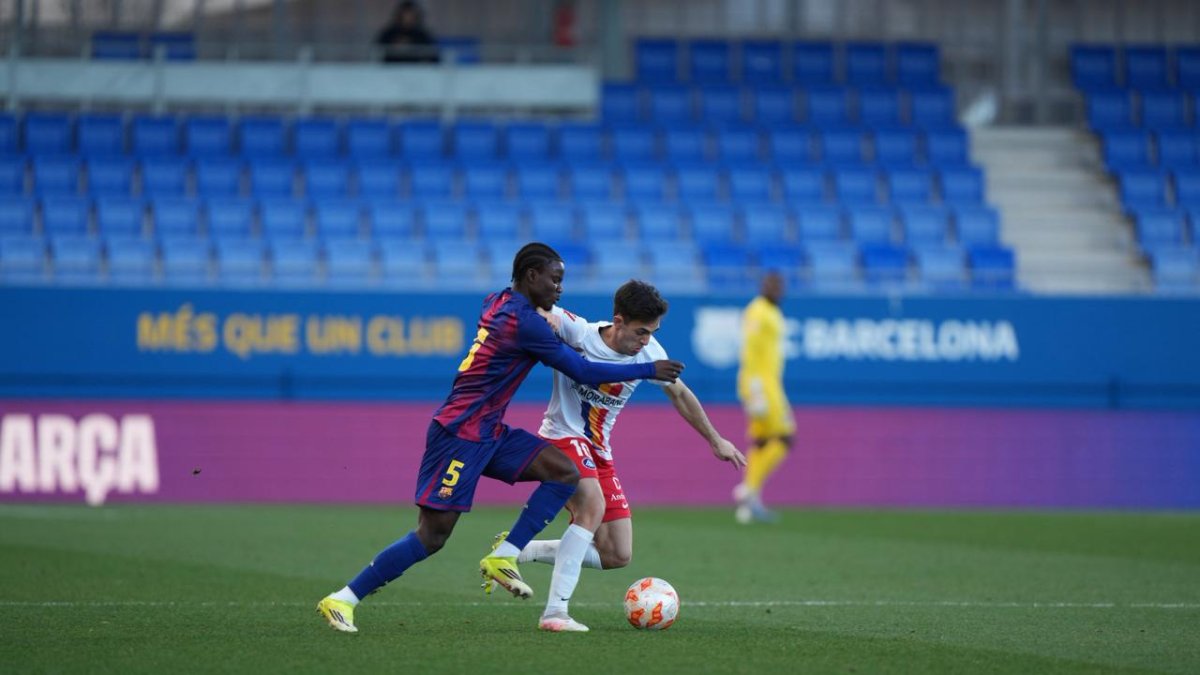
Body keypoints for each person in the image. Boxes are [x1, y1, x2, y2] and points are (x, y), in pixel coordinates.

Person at [316, 243, 685, 633]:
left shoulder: (499, 301)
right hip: (460, 433)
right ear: (531, 277)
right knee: (432, 536)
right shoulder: (526, 324)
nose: (560, 289)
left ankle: (506, 554)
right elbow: (580, 370)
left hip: (488, 429)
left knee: (563, 472)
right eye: (555, 280)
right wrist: (647, 370)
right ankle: (344, 598)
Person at [500, 279, 746, 632]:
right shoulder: (579, 332)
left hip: (599, 451)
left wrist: (715, 439)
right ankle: (555, 613)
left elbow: (680, 394)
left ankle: (517, 550)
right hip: (561, 438)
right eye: (641, 332)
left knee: (616, 553)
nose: (646, 341)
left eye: (652, 333)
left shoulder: (649, 352)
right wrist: (542, 314)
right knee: (592, 508)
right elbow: (534, 308)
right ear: (618, 321)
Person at [732, 270, 793, 524]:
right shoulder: (757, 311)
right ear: (763, 286)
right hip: (761, 385)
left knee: (761, 441)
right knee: (784, 437)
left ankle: (750, 501)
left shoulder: (772, 311)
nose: (777, 290)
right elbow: (751, 350)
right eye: (772, 285)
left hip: (767, 383)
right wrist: (754, 388)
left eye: (780, 286)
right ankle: (749, 489)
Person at [375, 0, 439, 64]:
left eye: (411, 15)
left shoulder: (422, 35)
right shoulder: (389, 33)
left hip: (416, 70)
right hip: (390, 70)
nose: (408, 18)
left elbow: (433, 55)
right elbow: (376, 52)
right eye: (405, 14)